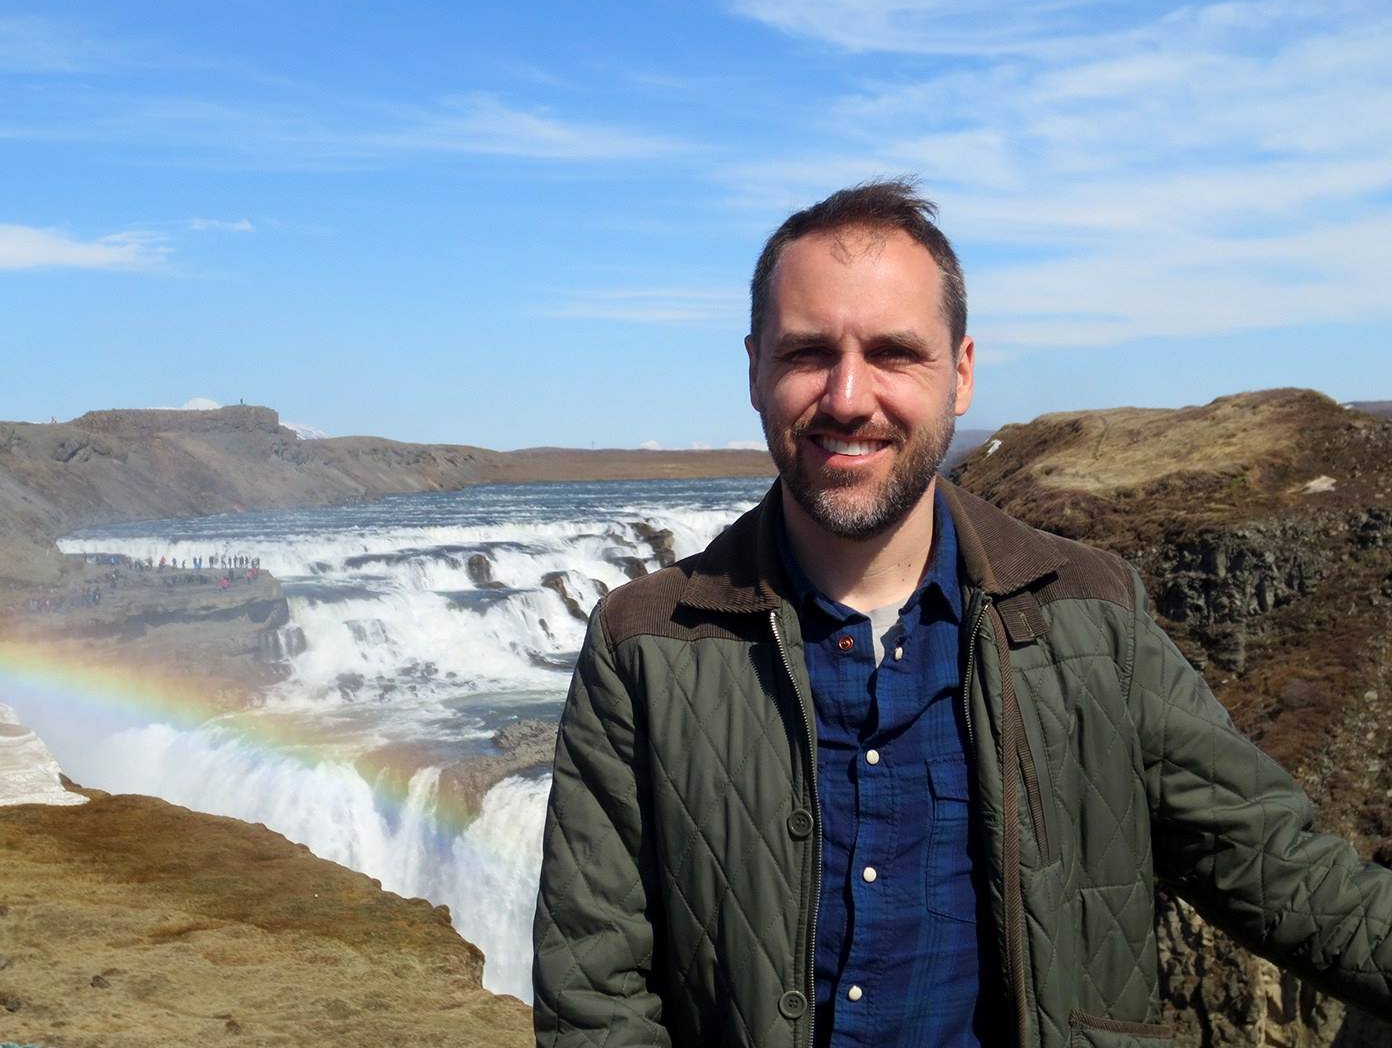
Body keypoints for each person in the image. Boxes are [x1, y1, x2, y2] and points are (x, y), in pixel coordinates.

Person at [533, 179, 1392, 1048]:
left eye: (895, 353)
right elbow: (593, 998)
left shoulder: (1092, 616)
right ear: (754, 368)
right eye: (806, 353)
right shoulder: (645, 645)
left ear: (963, 374)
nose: (847, 396)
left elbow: (1286, 875)